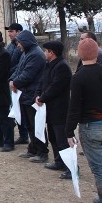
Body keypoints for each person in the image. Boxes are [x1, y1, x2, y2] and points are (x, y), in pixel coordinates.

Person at [66, 38, 102, 203]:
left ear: (80, 55)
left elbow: (74, 108)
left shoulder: (79, 77)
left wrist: (69, 131)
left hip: (90, 125)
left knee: (99, 167)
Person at [9, 30, 48, 162]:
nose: (18, 45)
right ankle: (33, 149)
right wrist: (12, 80)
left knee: (36, 125)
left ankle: (42, 152)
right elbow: (18, 70)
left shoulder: (36, 54)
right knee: (30, 125)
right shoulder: (26, 53)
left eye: (19, 42)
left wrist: (15, 83)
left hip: (32, 94)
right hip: (25, 94)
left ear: (25, 42)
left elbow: (28, 74)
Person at [35, 40, 72, 178]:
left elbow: (55, 87)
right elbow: (42, 82)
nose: (44, 53)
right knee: (53, 138)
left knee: (62, 140)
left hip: (60, 110)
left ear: (52, 52)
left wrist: (42, 97)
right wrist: (37, 95)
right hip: (49, 109)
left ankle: (71, 168)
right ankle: (59, 162)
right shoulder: (48, 65)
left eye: (46, 51)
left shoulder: (62, 67)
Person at [5, 23, 29, 145]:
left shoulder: (23, 48)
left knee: (21, 109)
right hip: (11, 80)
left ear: (19, 32)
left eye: (12, 31)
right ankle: (22, 134)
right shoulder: (10, 46)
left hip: (18, 82)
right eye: (9, 32)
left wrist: (14, 78)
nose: (9, 34)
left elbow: (19, 66)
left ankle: (25, 135)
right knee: (16, 108)